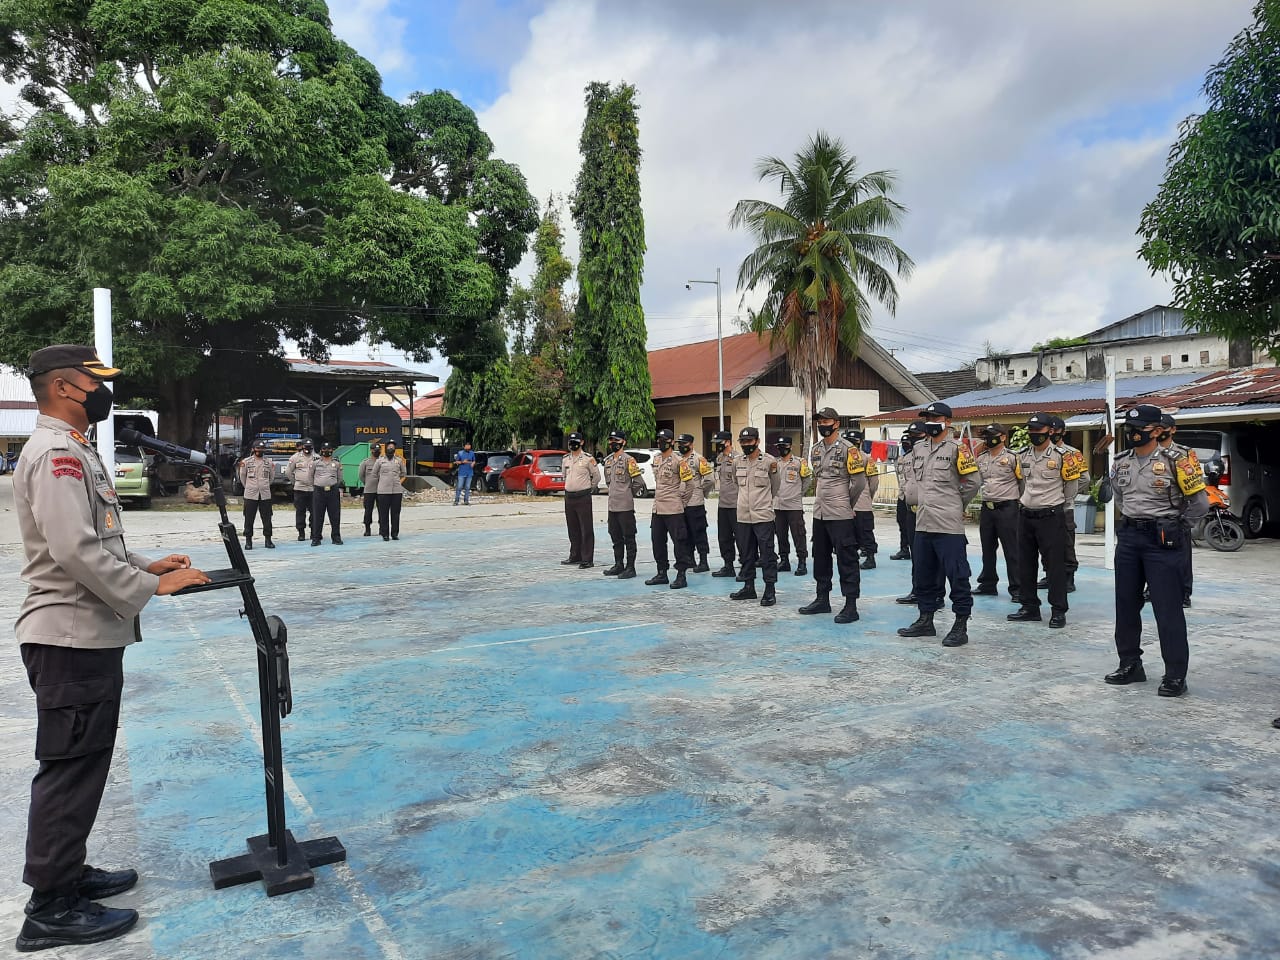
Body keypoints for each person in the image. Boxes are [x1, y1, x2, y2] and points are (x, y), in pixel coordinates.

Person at [12, 344, 210, 951]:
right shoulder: (56, 455)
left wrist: (148, 563)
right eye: (97, 384)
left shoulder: (75, 451)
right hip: (69, 636)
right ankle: (50, 907)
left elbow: (96, 539)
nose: (105, 393)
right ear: (68, 388)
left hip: (84, 635)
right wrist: (151, 585)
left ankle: (67, 874)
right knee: (70, 768)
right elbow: (73, 550)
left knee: (85, 758)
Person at [1104, 404, 1207, 697]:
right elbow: (1121, 497)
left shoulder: (1178, 460)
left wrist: (1176, 525)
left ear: (1158, 431)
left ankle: (1175, 674)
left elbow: (1199, 504)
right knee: (1125, 604)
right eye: (1130, 429)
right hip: (1129, 538)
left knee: (1167, 608)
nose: (1133, 435)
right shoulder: (1121, 461)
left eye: (1140, 430)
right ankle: (1130, 664)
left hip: (1163, 540)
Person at [897, 401, 980, 647]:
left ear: (947, 422)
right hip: (923, 522)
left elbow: (973, 483)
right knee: (924, 574)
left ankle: (960, 624)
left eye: (935, 418)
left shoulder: (958, 449)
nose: (930, 421)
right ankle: (925, 619)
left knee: (957, 575)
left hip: (948, 525)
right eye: (927, 418)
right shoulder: (919, 448)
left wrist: (956, 505)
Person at [1008, 412, 1081, 629]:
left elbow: (1072, 487)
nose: (1033, 435)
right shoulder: (1023, 455)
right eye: (1030, 431)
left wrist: (1059, 506)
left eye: (1037, 431)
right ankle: (1029, 606)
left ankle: (1058, 611)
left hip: (1051, 515)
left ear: (1050, 431)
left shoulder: (1063, 456)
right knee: (1025, 564)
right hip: (1026, 515)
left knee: (1054, 566)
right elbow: (1022, 484)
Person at [799, 407, 869, 624]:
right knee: (820, 557)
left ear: (836, 423)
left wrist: (846, 503)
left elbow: (858, 483)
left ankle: (851, 605)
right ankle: (822, 598)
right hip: (820, 513)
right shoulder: (816, 449)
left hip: (840, 513)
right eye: (820, 421)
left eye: (826, 421)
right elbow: (818, 479)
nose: (822, 425)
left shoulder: (850, 450)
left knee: (847, 559)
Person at [731, 427, 781, 606]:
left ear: (757, 441)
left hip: (763, 516)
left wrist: (764, 502)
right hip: (743, 516)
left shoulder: (769, 462)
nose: (746, 445)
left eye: (749, 441)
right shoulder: (737, 461)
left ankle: (769, 589)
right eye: (743, 442)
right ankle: (748, 587)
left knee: (767, 554)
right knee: (746, 553)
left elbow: (775, 486)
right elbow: (737, 483)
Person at [973, 423, 1023, 602]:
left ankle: (1017, 588)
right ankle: (988, 583)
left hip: (1007, 508)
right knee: (987, 548)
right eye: (986, 435)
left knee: (1012, 550)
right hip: (988, 508)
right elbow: (977, 481)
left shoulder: (1013, 458)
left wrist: (1020, 502)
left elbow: (1022, 483)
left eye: (992, 435)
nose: (988, 439)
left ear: (1003, 437)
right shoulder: (981, 458)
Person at [1038, 415, 1088, 594]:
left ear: (1063, 432)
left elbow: (1084, 479)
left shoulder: (1072, 454)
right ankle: (1049, 574)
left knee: (1066, 544)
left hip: (1064, 507)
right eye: (1049, 432)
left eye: (1056, 432)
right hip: (1041, 506)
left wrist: (1066, 492)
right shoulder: (1037, 452)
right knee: (1044, 543)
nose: (1052, 436)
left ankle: (1068, 577)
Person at [646, 428, 694, 589]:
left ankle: (681, 575)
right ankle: (662, 573)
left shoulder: (678, 461)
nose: (661, 443)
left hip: (674, 509)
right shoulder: (657, 459)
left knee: (679, 543)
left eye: (664, 440)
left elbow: (690, 484)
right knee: (657, 542)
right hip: (658, 509)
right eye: (659, 440)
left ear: (672, 442)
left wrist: (682, 502)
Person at [1158, 413, 1196, 608]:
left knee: (1181, 557)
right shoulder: (1145, 452)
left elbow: (1194, 484)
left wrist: (1186, 517)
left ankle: (1184, 592)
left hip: (1176, 513)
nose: (1160, 431)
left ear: (1173, 430)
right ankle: (1153, 588)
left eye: (1164, 427)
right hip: (1153, 513)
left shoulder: (1185, 453)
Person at [601, 430, 644, 578]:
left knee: (629, 537)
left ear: (623, 442)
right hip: (612, 505)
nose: (613, 443)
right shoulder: (608, 461)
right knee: (615, 536)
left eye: (616, 440)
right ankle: (618, 564)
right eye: (611, 440)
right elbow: (609, 482)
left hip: (625, 506)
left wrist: (627, 493)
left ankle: (630, 567)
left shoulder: (629, 460)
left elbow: (639, 482)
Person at [893, 421, 927, 602]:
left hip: (929, 511)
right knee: (916, 554)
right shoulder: (905, 458)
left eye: (918, 436)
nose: (914, 440)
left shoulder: (932, 456)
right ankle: (917, 590)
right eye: (911, 436)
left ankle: (935, 594)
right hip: (910, 511)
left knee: (932, 554)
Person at [771, 435, 810, 576]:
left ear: (790, 446)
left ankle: (802, 562)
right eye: (779, 447)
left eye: (784, 446)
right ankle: (784, 560)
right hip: (778, 506)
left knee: (798, 534)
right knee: (781, 535)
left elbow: (807, 480)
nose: (782, 449)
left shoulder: (800, 462)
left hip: (794, 506)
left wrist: (798, 494)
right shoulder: (775, 463)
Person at [843, 422, 879, 570]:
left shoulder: (866, 459)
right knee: (848, 532)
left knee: (865, 531)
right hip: (845, 501)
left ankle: (870, 557)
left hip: (862, 502)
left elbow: (874, 481)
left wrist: (867, 496)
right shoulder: (842, 458)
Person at [676, 433, 714, 572]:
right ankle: (689, 559)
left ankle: (703, 561)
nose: (681, 446)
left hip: (695, 503)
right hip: (681, 503)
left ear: (691, 444)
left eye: (684, 444)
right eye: (679, 444)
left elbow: (709, 479)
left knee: (698, 532)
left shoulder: (699, 459)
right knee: (684, 533)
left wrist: (701, 492)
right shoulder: (678, 459)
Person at [561, 432, 600, 568]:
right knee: (572, 528)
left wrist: (588, 488)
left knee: (586, 528)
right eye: (571, 441)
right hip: (569, 497)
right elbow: (564, 476)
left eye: (575, 441)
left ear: (582, 442)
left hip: (583, 496)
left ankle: (587, 559)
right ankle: (575, 555)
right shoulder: (566, 459)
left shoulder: (588, 459)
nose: (573, 444)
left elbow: (596, 477)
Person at [711, 430, 739, 578]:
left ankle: (747, 566)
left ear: (727, 442)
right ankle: (728, 565)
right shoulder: (720, 458)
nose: (717, 446)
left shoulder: (738, 458)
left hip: (736, 504)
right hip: (723, 504)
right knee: (724, 537)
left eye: (719, 443)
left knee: (741, 537)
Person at [238, 440, 274, 550]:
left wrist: (264, 485)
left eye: (262, 449)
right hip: (250, 494)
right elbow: (242, 477)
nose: (260, 451)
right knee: (249, 518)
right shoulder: (246, 462)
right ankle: (248, 541)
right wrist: (250, 486)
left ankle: (268, 540)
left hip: (265, 494)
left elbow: (271, 478)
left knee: (267, 518)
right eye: (258, 449)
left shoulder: (269, 462)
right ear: (253, 449)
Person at [310, 443, 344, 546]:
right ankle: (316, 538)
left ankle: (336, 537)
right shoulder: (315, 463)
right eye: (324, 449)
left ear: (332, 450)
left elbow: (340, 478)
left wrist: (333, 485)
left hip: (332, 491)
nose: (326, 451)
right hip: (319, 491)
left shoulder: (337, 463)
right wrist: (317, 485)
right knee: (317, 515)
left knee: (335, 515)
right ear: (321, 450)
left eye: (328, 449)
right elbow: (310, 476)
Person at [373, 439, 406, 541]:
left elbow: (403, 473)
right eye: (389, 447)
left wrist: (397, 482)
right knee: (384, 513)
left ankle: (395, 533)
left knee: (395, 513)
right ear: (386, 448)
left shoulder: (399, 460)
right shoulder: (380, 461)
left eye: (393, 447)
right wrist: (383, 480)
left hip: (396, 491)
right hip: (383, 491)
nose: (391, 448)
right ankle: (385, 534)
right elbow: (374, 473)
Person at [286, 440, 316, 542]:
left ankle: (314, 532)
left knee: (314, 512)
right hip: (300, 489)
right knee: (300, 512)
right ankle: (301, 533)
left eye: (309, 447)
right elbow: (289, 472)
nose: (307, 449)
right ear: (302, 447)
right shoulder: (295, 458)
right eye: (305, 447)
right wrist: (296, 482)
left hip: (313, 489)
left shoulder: (317, 458)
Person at [358, 441, 382, 536]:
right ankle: (367, 529)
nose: (376, 452)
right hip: (369, 490)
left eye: (378, 450)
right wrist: (367, 483)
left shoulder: (383, 461)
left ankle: (382, 528)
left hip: (381, 490)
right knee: (368, 510)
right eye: (375, 450)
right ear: (371, 450)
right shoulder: (365, 462)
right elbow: (361, 476)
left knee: (382, 511)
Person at [453, 441, 475, 506]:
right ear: (464, 446)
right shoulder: (460, 453)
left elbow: (474, 461)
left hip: (469, 472)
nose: (468, 447)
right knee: (459, 487)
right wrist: (462, 462)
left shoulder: (472, 453)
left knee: (467, 487)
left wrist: (473, 463)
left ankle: (466, 501)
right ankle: (456, 501)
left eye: (469, 446)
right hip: (462, 472)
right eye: (467, 446)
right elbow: (456, 462)